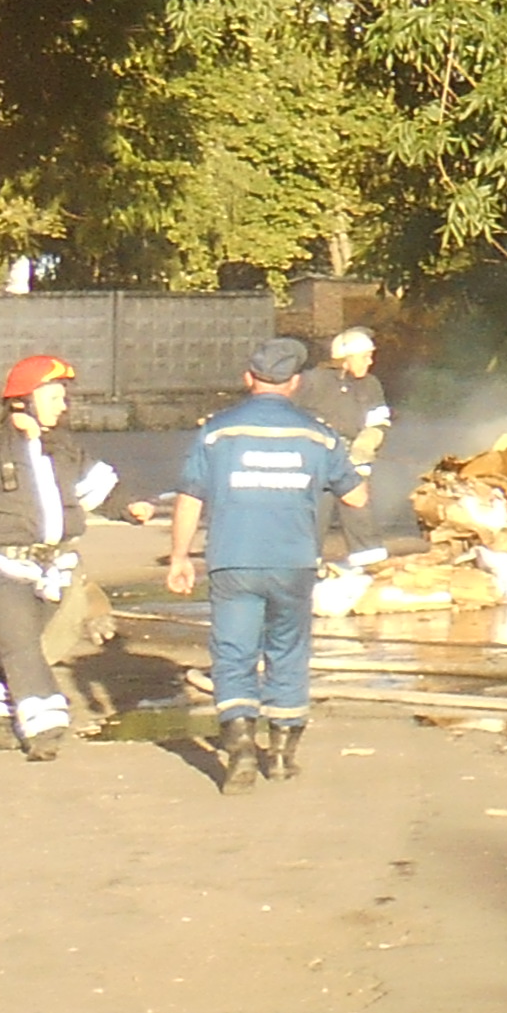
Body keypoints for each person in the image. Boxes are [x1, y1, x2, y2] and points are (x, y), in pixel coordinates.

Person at [167, 334, 359, 790]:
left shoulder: (217, 432)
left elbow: (190, 497)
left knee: (234, 654)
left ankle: (240, 754)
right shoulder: (318, 434)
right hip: (293, 563)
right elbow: (356, 496)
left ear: (248, 378)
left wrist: (179, 556)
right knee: (287, 652)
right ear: (294, 383)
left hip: (233, 561)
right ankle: (281, 756)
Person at [0, 350, 113, 759]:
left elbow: (96, 489)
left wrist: (132, 508)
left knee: (26, 649)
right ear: (22, 400)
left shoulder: (62, 447)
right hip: (5, 567)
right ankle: (47, 727)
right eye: (55, 396)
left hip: (53, 569)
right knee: (21, 645)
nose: (64, 405)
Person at [302, 319, 393, 560]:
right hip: (316, 465)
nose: (370, 362)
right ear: (345, 358)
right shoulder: (312, 381)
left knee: (361, 518)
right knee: (312, 521)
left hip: (352, 464)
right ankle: (306, 572)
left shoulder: (371, 385)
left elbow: (379, 422)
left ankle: (369, 567)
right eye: (365, 356)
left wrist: (366, 445)